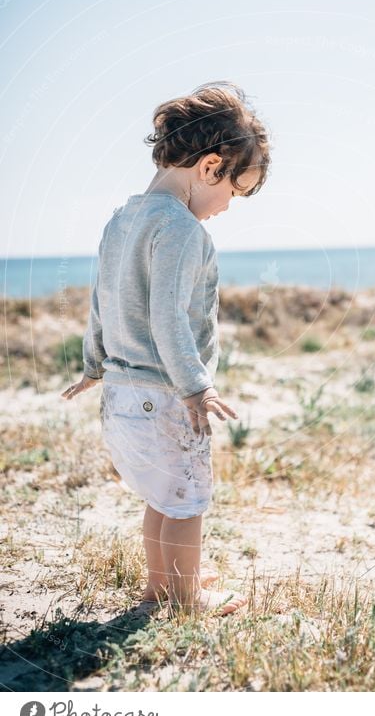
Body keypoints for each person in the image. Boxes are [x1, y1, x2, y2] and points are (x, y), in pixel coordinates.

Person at [60, 81, 271, 616]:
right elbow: (167, 315)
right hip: (165, 393)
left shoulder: (122, 219)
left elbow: (102, 300)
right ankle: (183, 596)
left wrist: (93, 364)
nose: (227, 206)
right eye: (234, 191)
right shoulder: (181, 228)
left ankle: (166, 583)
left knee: (164, 497)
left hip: (123, 393)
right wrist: (197, 385)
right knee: (187, 502)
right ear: (209, 167)